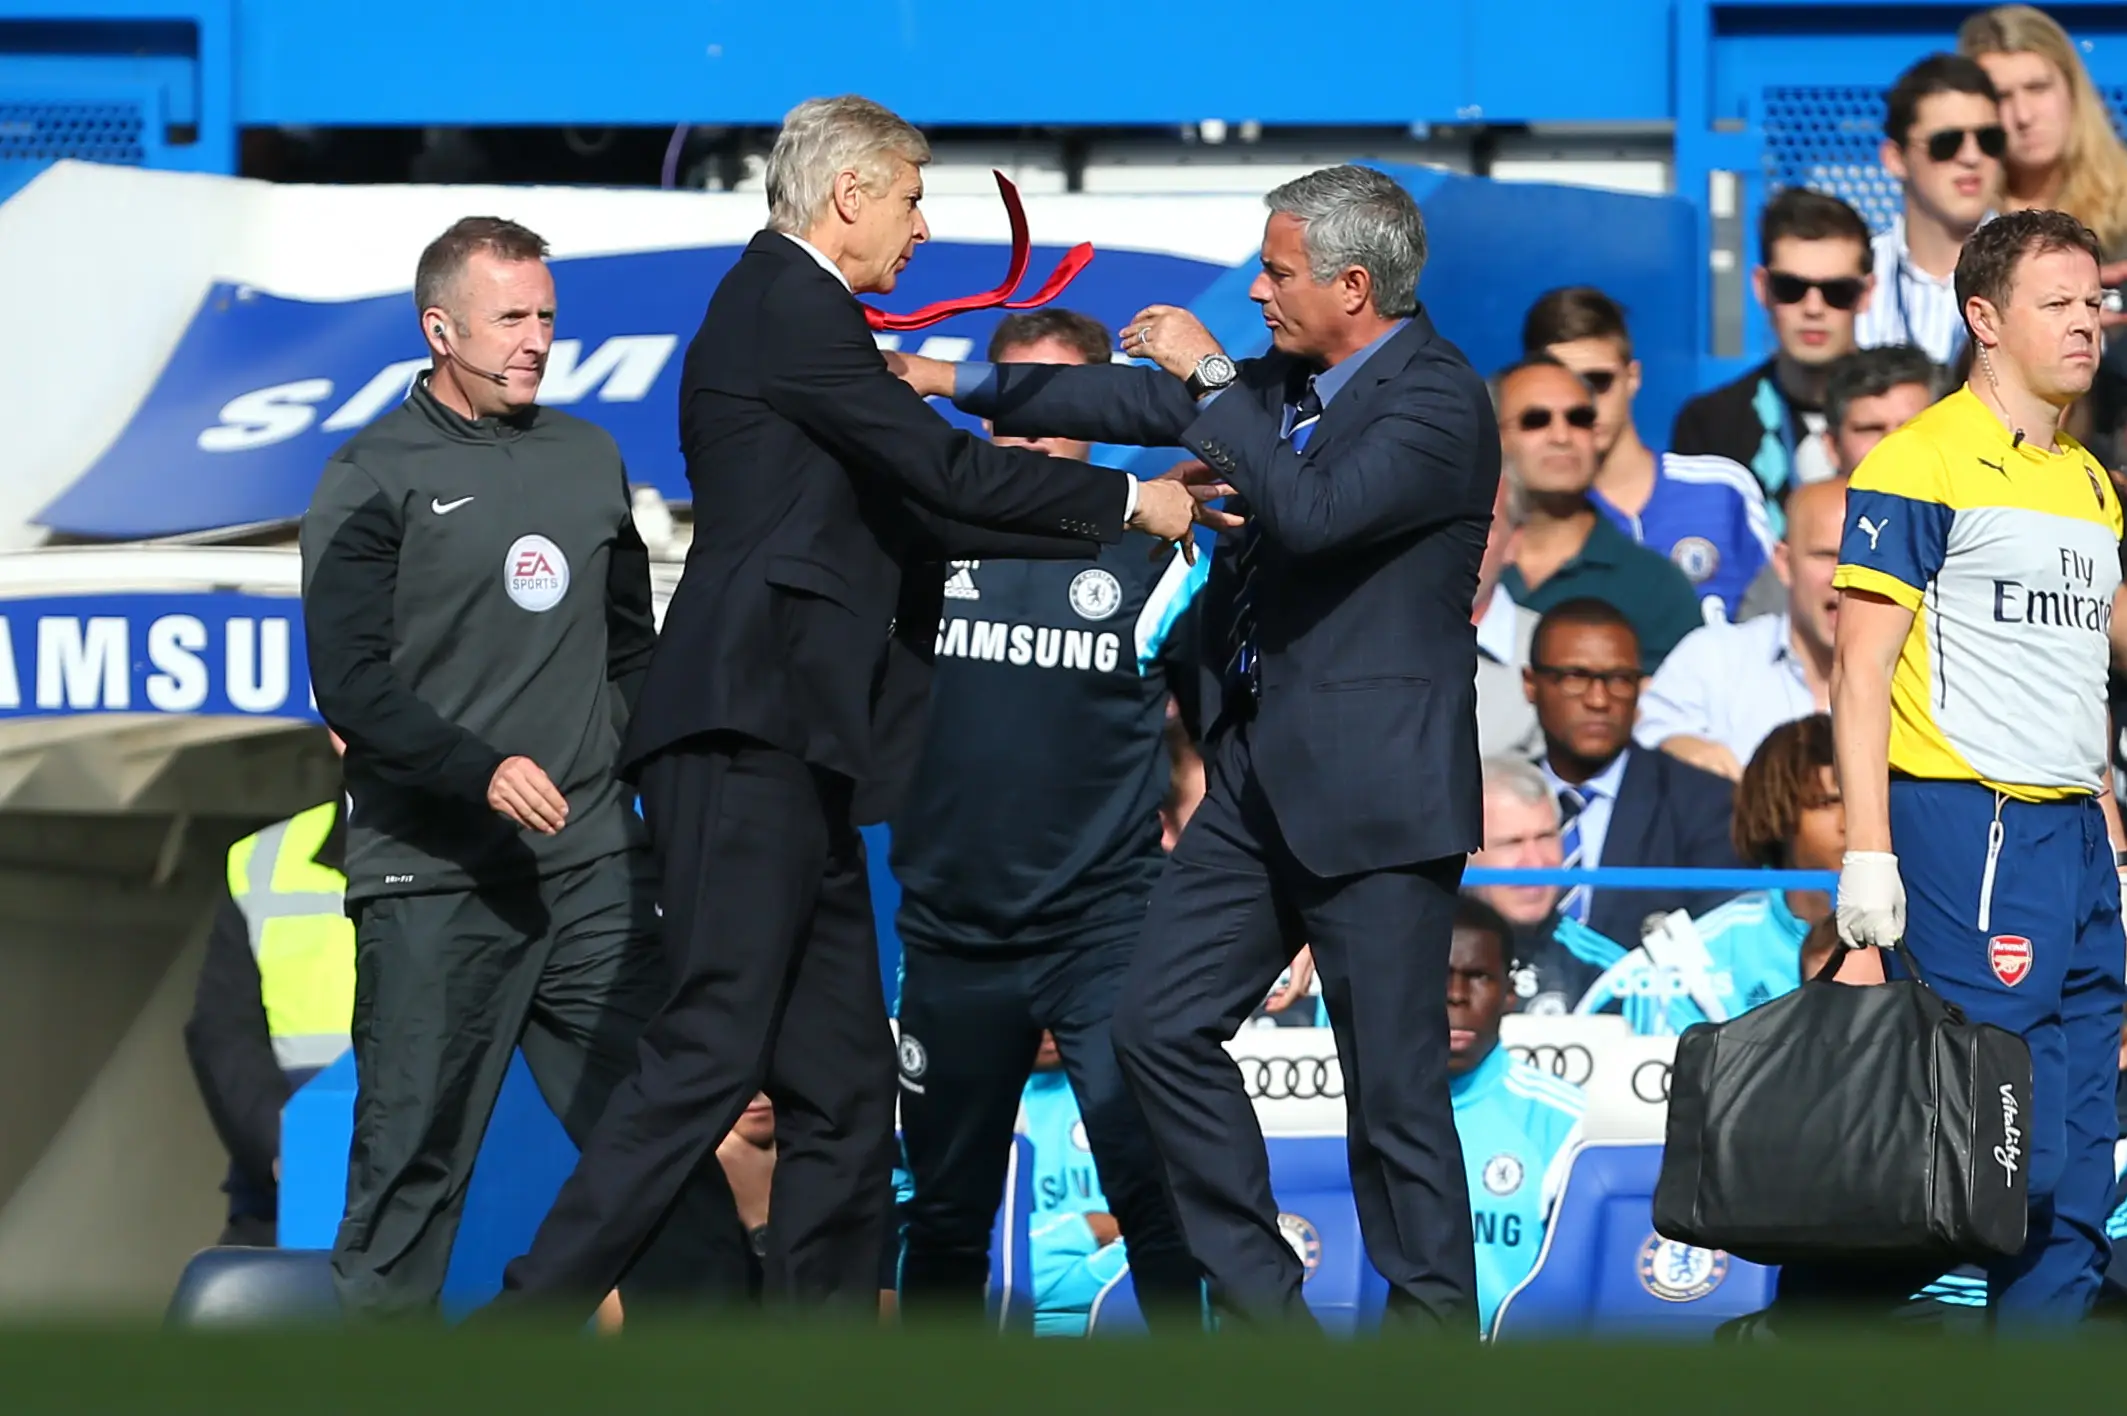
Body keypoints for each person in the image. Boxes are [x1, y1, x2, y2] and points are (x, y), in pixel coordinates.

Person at [491, 96, 1196, 1320]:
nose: (923, 230)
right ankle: (522, 1322)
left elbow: (924, 511)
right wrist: (1132, 507)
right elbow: (936, 469)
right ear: (852, 194)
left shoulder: (801, 314)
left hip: (802, 744)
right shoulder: (789, 303)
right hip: (743, 726)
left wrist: (1124, 508)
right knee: (710, 1050)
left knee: (846, 1085)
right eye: (914, 200)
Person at [895, 162, 1497, 1328]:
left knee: (1395, 1102)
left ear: (1355, 286)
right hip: (1255, 786)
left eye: (1276, 273)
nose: (1260, 293)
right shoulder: (1284, 379)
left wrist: (1212, 379)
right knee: (1157, 1025)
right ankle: (1274, 1328)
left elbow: (1312, 510)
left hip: (1376, 801)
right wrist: (943, 377)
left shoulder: (1435, 398)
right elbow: (1128, 409)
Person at [300, 215, 728, 1317]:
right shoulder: (371, 474)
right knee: (411, 1177)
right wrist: (478, 769)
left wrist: (666, 792)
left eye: (545, 316)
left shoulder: (588, 457)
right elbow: (350, 685)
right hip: (438, 880)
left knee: (662, 1151)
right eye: (511, 319)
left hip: (590, 873)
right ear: (440, 328)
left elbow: (630, 651)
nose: (536, 339)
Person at [1832, 208, 2127, 1322]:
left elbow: (2086, 671)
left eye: (2094, 300)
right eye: (2057, 304)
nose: (2086, 323)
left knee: (2082, 1171)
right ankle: (1805, 1329)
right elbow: (1861, 673)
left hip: (2076, 838)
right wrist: (1868, 852)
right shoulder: (1919, 461)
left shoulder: (2092, 483)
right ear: (1983, 320)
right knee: (1998, 1158)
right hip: (1971, 827)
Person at [887, 307, 1200, 1324]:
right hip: (950, 933)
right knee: (942, 1219)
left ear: (1101, 413)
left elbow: (1236, 737)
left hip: (1104, 931)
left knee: (1157, 1202)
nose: (1026, 427)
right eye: (1008, 401)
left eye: (1056, 405)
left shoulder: (1153, 543)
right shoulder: (918, 538)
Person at [1575, 714, 1862, 1033]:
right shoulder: (1697, 956)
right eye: (1828, 803)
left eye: (1862, 802)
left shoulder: (1915, 932)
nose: (1851, 822)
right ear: (1777, 811)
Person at [183, 734, 351, 1248]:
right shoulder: (263, 862)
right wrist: (288, 1145)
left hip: (459, 1204)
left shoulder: (505, 851)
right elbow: (223, 1031)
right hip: (286, 1209)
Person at [1522, 286, 1772, 622]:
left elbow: (1782, 618)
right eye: (1562, 383)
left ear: (1632, 377)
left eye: (1598, 381)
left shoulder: (1722, 490)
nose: (1584, 402)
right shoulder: (1527, 514)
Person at [1526, 599, 1740, 959]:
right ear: (1531, 685)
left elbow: (1723, 946)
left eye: (1619, 680)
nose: (1599, 699)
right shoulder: (1486, 801)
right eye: (1576, 677)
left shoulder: (1707, 805)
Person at [1493, 356, 1704, 668]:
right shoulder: (1452, 571)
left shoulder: (1654, 586)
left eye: (1579, 419)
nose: (1562, 437)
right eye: (1536, 420)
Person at [1671, 188, 1874, 508]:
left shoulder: (1913, 415)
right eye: (1790, 288)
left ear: (1866, 294)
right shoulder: (1710, 426)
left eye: (1838, 291)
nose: (1813, 308)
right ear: (1762, 288)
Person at [1636, 477, 1846, 779]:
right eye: (1825, 557)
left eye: (1863, 560)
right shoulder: (1715, 658)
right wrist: (1678, 747)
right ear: (1784, 564)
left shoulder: (1927, 673)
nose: (1844, 577)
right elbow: (1646, 735)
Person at [1444, 895, 1584, 1334]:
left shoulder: (1562, 1122)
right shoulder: (1354, 1109)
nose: (1456, 995)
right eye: (1436, 975)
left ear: (1510, 991)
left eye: (1479, 977)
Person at [1732, 345, 1941, 621]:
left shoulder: (1985, 532)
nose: (1892, 447)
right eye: (1870, 429)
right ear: (1831, 446)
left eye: (1911, 430)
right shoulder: (1795, 565)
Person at [1853, 54, 2004, 366]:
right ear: (1896, 158)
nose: (1972, 156)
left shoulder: (2034, 272)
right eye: (1946, 142)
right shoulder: (1851, 281)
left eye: (1989, 139)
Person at [1959, 6, 2127, 256]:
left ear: (2072, 90)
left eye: (2037, 88)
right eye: (2001, 97)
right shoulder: (1963, 219)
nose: (2023, 116)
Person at [1019, 1032, 1135, 1337]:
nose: (1046, 1032)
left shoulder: (1133, 1096)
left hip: (1134, 1293)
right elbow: (988, 1267)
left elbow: (1177, 1243)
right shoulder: (972, 1111)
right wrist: (1088, 1229)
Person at [1469, 757, 1575, 1015]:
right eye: (1511, 843)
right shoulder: (1416, 956)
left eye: (1546, 837)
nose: (1535, 864)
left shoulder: (1602, 968)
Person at [1472, 475, 1542, 759]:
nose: (1459, 542)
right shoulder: (1359, 646)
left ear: (1514, 541)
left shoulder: (1549, 654)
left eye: (1480, 525)